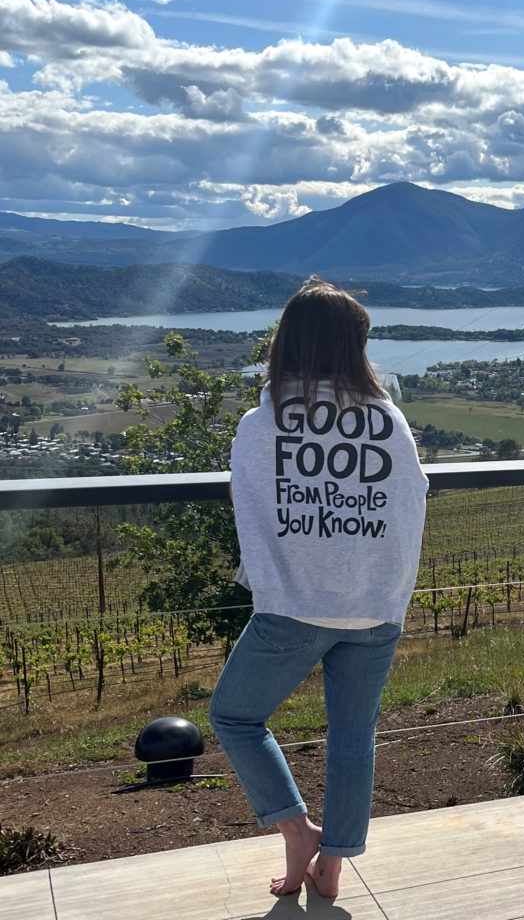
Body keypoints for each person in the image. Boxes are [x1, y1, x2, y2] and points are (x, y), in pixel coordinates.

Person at [209, 276, 428, 898]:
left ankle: (296, 829)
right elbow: (410, 500)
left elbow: (251, 503)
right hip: (376, 607)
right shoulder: (389, 420)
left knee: (234, 716)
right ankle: (333, 865)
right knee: (353, 735)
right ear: (354, 347)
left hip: (295, 607)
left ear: (288, 343)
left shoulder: (263, 422)